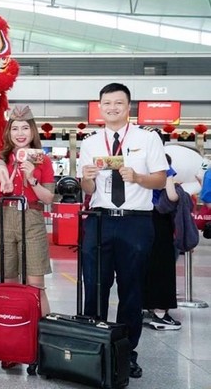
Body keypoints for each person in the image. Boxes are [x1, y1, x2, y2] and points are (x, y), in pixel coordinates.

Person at [77, 83, 167, 379]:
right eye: (107, 103)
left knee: (132, 290)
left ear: (128, 107)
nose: (112, 108)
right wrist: (86, 179)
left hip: (136, 222)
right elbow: (87, 190)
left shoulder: (148, 139)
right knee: (95, 287)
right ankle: (94, 349)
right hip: (100, 220)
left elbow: (160, 180)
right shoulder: (90, 142)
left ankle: (124, 353)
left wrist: (138, 177)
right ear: (100, 107)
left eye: (118, 103)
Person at [0, 105, 55, 319]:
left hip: (32, 218)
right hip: (4, 217)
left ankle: (41, 335)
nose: (20, 134)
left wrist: (32, 178)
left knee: (36, 284)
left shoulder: (42, 160)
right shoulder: (0, 156)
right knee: (9, 282)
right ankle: (13, 332)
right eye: (14, 128)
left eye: (25, 128)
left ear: (32, 131)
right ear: (8, 132)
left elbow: (48, 198)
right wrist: (4, 175)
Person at [143, 153, 182, 331]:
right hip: (159, 219)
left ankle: (143, 306)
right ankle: (160, 314)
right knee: (163, 266)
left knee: (142, 264)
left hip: (139, 217)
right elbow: (172, 196)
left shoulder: (139, 164)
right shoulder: (163, 165)